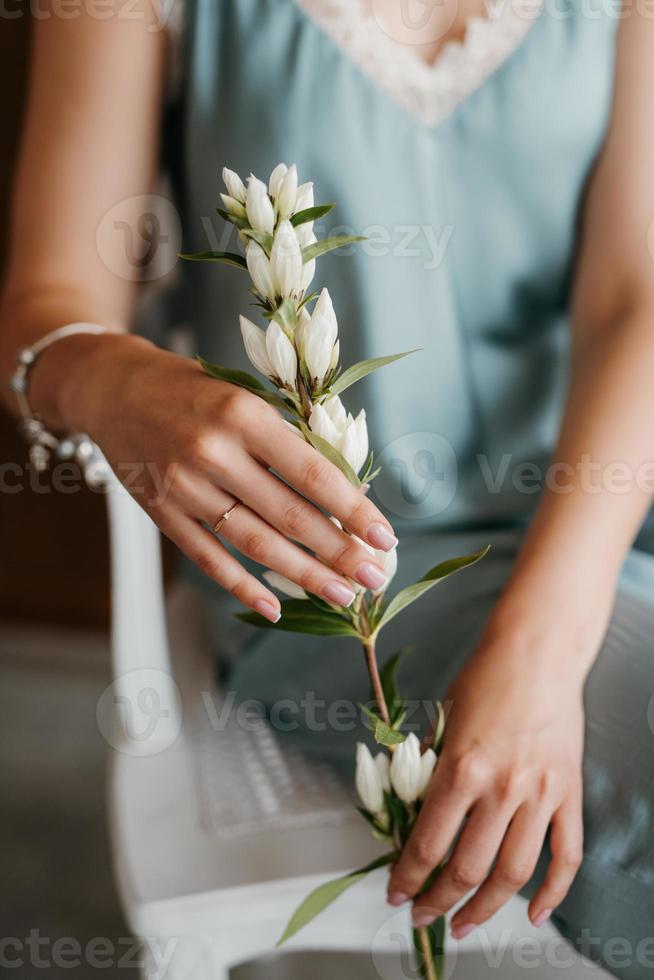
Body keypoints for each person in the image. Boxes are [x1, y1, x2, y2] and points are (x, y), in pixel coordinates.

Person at [1, 1, 653, 975]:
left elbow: (633, 289)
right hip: (344, 567)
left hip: (606, 508)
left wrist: (538, 656)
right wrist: (112, 378)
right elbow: (46, 302)